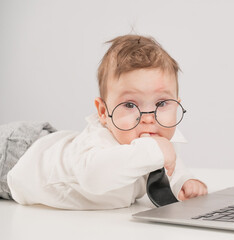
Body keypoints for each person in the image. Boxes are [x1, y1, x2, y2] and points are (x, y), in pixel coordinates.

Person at [0, 34, 207, 209]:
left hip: (53, 146)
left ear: (177, 103)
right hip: (17, 159)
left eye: (161, 103)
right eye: (129, 105)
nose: (148, 118)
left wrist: (184, 182)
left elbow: (171, 166)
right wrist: (156, 151)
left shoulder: (158, 142)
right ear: (103, 111)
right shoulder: (100, 144)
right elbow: (94, 177)